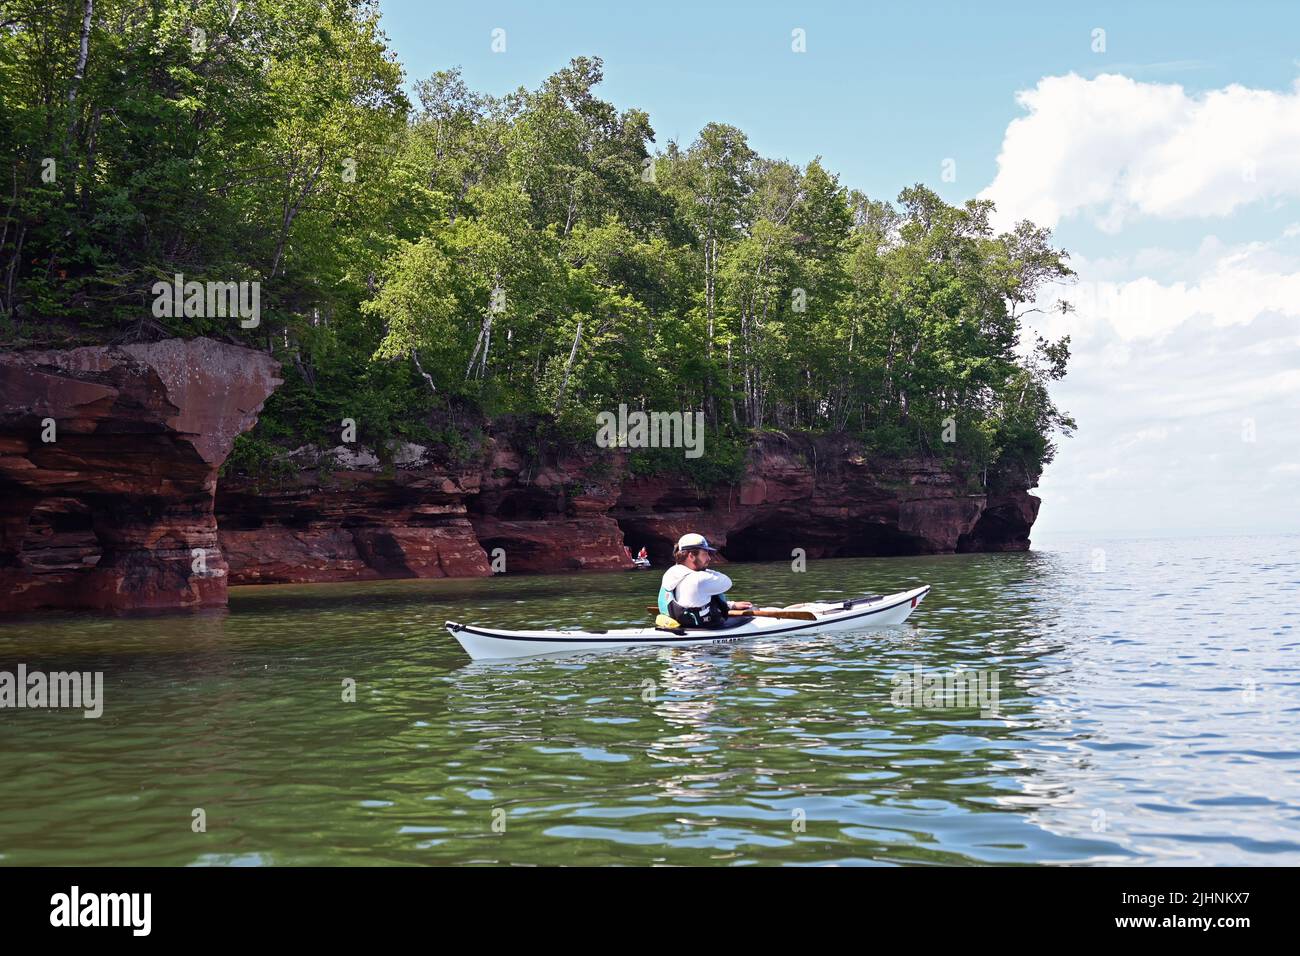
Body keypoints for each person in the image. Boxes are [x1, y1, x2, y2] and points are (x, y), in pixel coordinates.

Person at [657, 533, 753, 628]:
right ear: (691, 556)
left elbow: (691, 601)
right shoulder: (701, 579)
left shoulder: (671, 573)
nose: (709, 558)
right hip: (704, 628)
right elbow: (728, 582)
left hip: (679, 625)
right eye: (705, 554)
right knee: (752, 613)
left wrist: (731, 605)